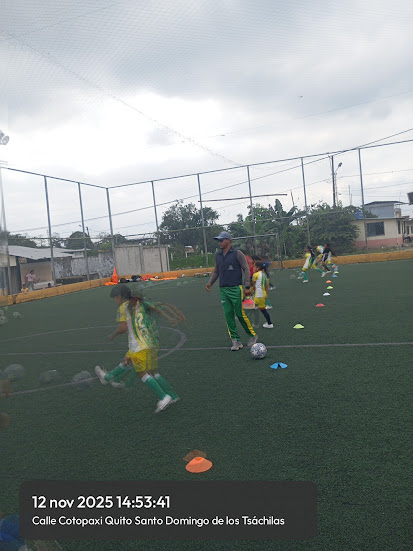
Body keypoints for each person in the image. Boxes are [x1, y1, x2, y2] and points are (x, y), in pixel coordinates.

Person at [97, 285, 183, 413]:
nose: (115, 301)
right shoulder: (138, 303)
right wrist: (170, 318)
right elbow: (156, 307)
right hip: (147, 341)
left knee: (142, 373)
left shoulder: (123, 307)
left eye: (115, 298)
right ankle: (108, 377)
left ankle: (164, 397)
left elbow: (123, 327)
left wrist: (112, 335)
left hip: (138, 345)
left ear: (119, 297)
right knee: (128, 360)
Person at [205, 231, 257, 351]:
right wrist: (210, 282)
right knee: (228, 315)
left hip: (236, 288)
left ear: (228, 240)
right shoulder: (218, 255)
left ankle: (252, 335)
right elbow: (216, 271)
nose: (219, 242)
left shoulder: (237, 253)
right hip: (223, 289)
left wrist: (247, 286)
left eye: (221, 240)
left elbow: (246, 269)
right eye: (218, 240)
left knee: (240, 314)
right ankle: (235, 340)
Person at [252, 262, 273, 328]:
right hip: (262, 294)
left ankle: (269, 324)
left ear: (258, 267)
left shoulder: (255, 275)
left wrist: (251, 291)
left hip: (258, 294)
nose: (253, 268)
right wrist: (266, 294)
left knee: (262, 310)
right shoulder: (264, 275)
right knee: (256, 307)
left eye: (254, 267)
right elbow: (267, 286)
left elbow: (253, 284)